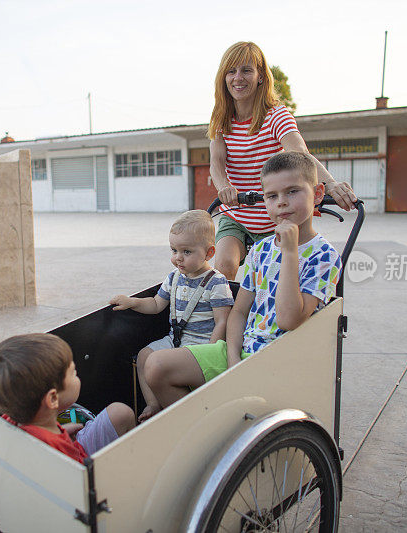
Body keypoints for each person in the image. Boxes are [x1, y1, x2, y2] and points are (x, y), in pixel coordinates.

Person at [144, 151, 342, 409]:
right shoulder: (261, 250)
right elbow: (239, 311)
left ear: (316, 194)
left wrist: (290, 253)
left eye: (292, 191)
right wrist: (234, 359)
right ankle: (200, 426)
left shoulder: (324, 255)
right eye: (272, 196)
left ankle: (214, 424)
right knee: (155, 365)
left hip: (281, 360)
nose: (281, 202)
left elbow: (288, 319)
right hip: (243, 349)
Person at [207, 41, 356, 280]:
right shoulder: (221, 119)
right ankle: (227, 317)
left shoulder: (276, 115)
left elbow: (300, 154)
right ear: (223, 77)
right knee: (223, 268)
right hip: (237, 213)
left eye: (246, 70)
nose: (238, 78)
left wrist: (331, 184)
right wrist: (224, 187)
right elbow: (216, 163)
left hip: (274, 215)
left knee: (271, 277)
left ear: (260, 77)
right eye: (231, 71)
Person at [109, 210, 233, 421]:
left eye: (186, 252)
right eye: (174, 250)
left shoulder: (217, 282)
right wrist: (132, 302)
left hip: (201, 344)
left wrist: (211, 351)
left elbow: (222, 321)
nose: (177, 258)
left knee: (182, 376)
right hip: (175, 339)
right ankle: (154, 404)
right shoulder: (174, 277)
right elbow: (157, 304)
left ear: (209, 253)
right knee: (143, 357)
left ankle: (190, 414)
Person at [0, 333, 135, 464]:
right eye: (73, 373)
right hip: (80, 466)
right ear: (53, 399)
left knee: (120, 413)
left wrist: (62, 433)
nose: (77, 375)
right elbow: (81, 483)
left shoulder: (13, 419)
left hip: (70, 445)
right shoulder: (56, 453)